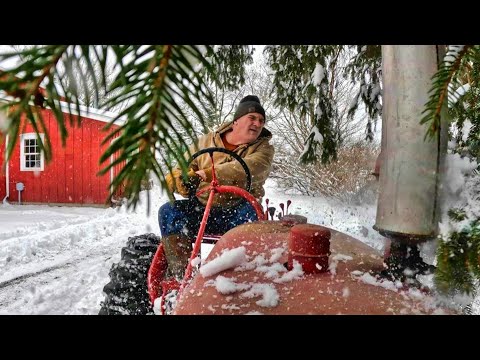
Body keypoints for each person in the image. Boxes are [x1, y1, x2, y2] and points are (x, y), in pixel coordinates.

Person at [158, 95, 274, 278]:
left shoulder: (263, 148)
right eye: (252, 118)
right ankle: (181, 276)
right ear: (236, 121)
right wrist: (180, 180)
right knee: (169, 211)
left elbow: (254, 167)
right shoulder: (204, 142)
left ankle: (237, 278)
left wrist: (208, 173)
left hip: (239, 210)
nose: (258, 123)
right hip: (202, 208)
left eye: (261, 120)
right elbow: (179, 168)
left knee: (251, 221)